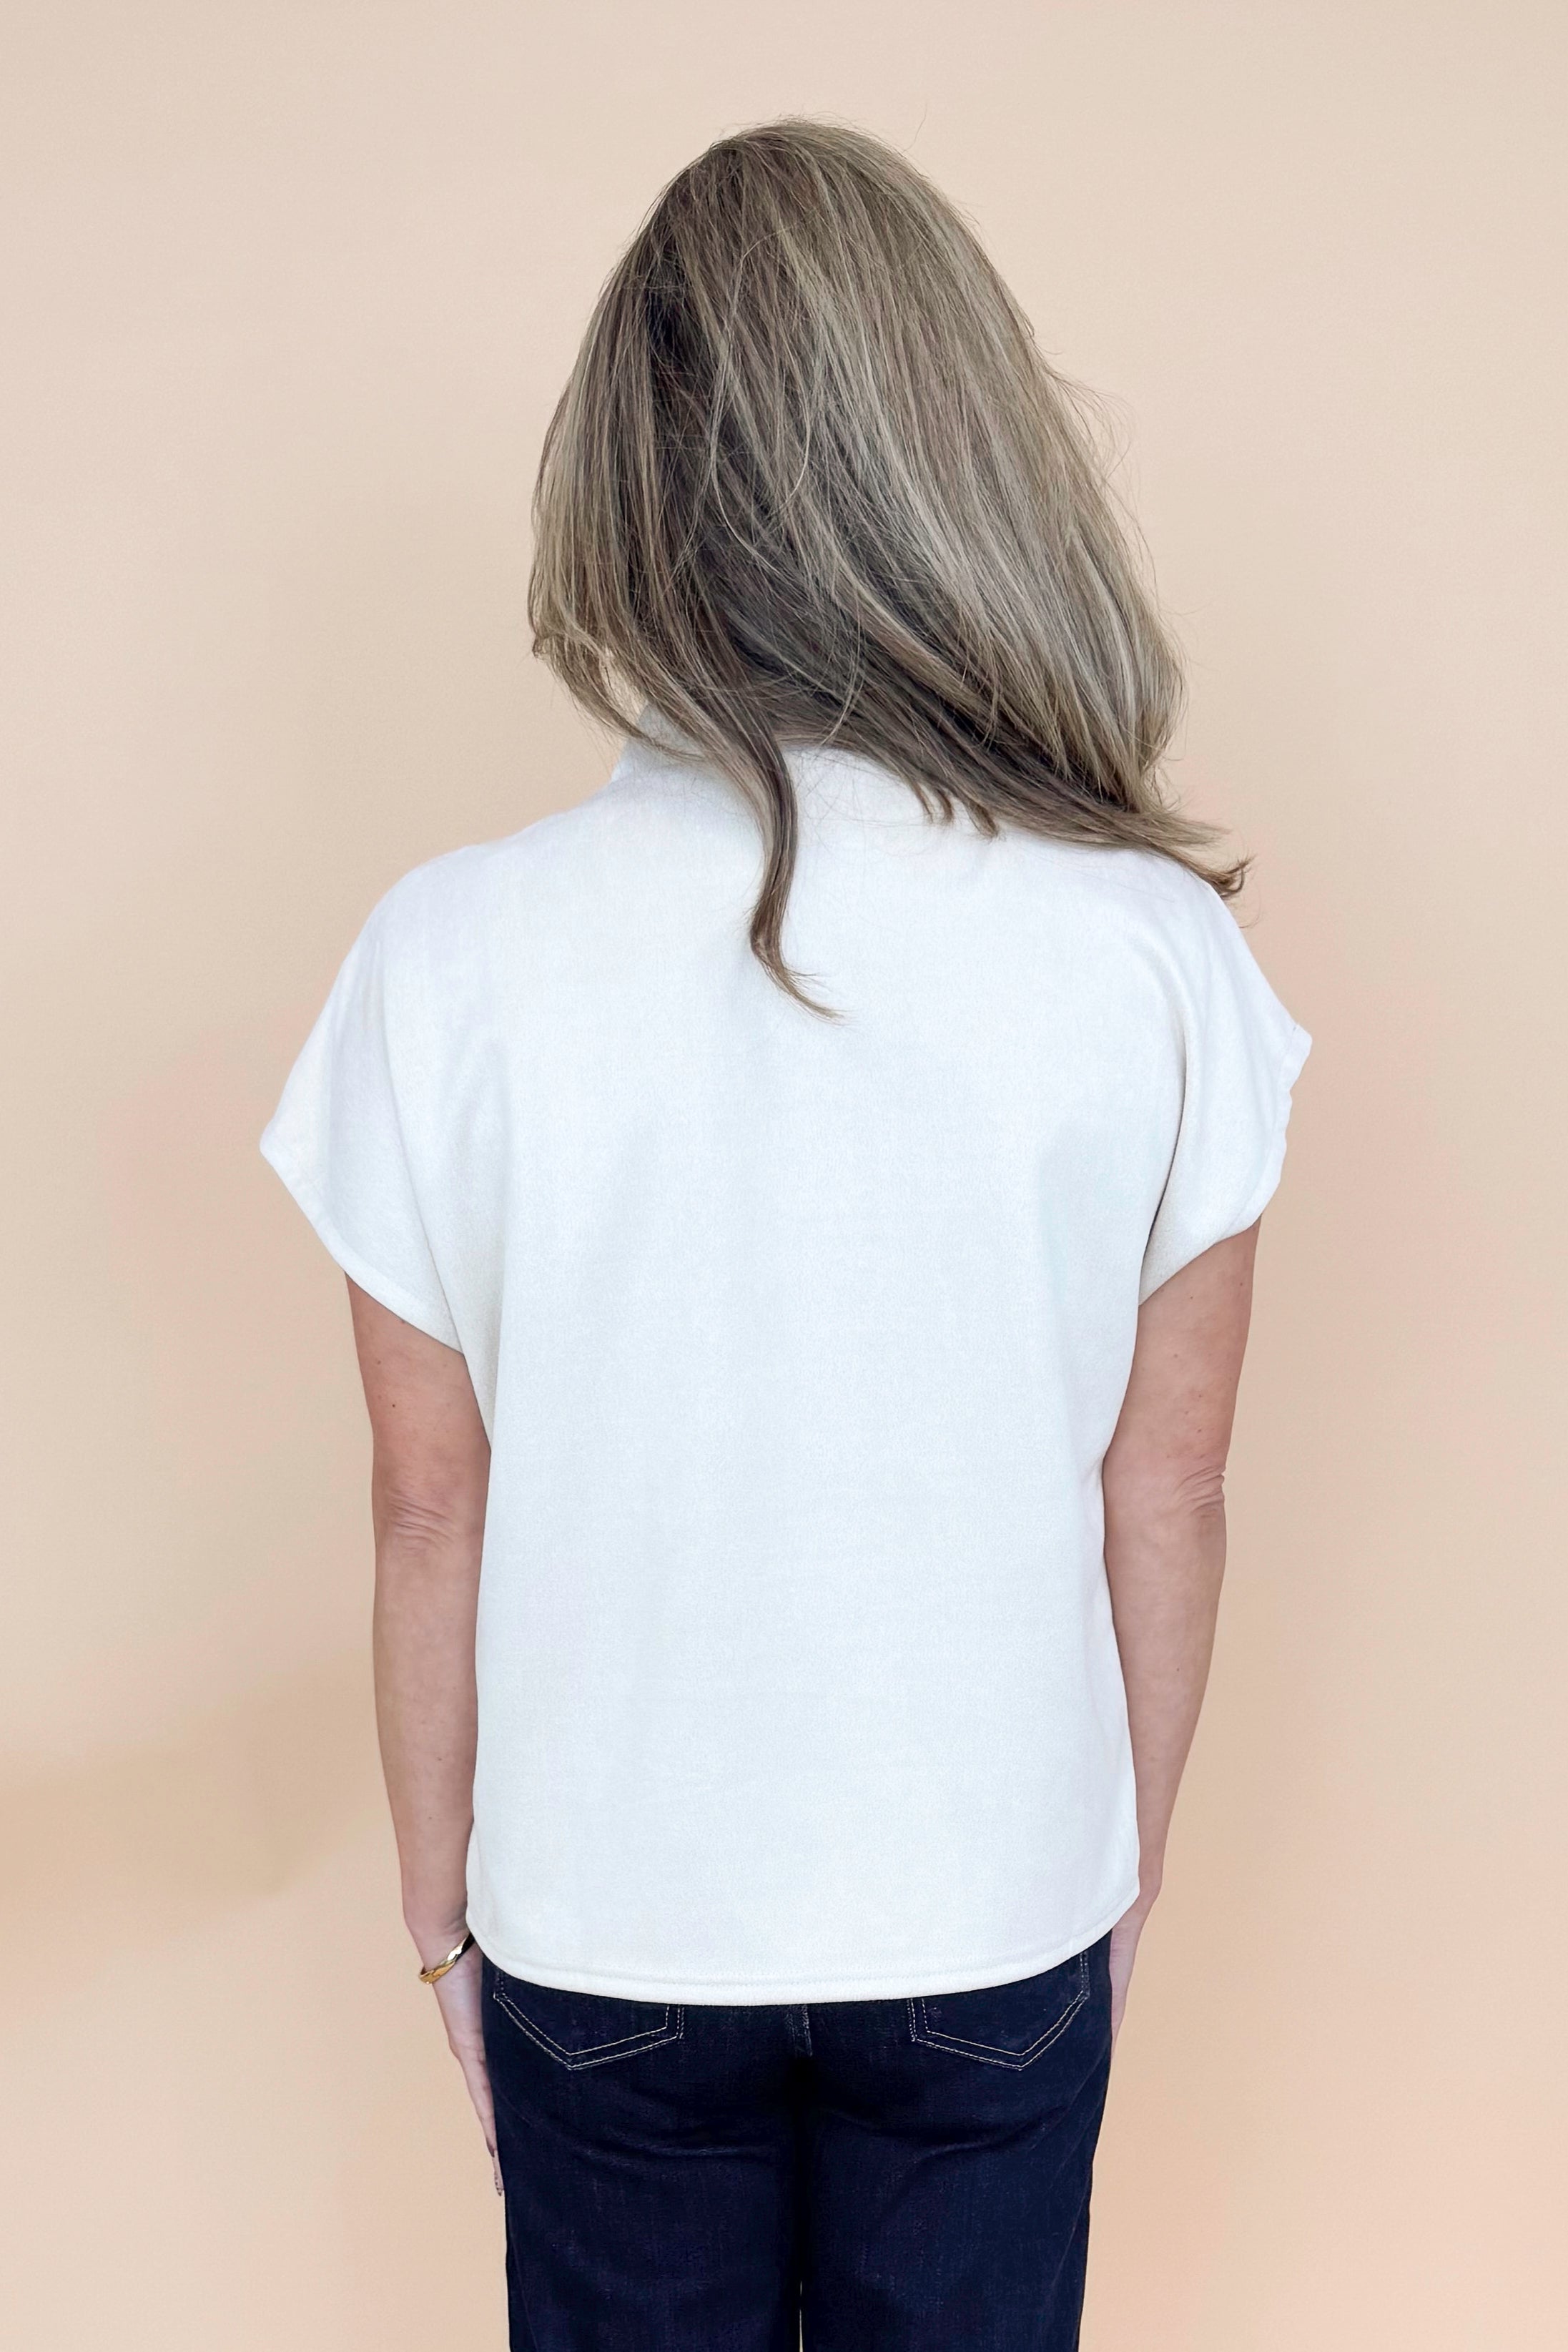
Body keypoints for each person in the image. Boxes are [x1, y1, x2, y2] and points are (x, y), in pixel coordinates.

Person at [262, 118, 1309, 2352]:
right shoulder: (1148, 955)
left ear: (620, 492)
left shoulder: (443, 956)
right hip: (989, 1917)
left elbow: (425, 1503)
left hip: (608, 1932)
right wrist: (1102, 1877)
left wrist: (446, 1921)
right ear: (971, 464)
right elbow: (1173, 1487)